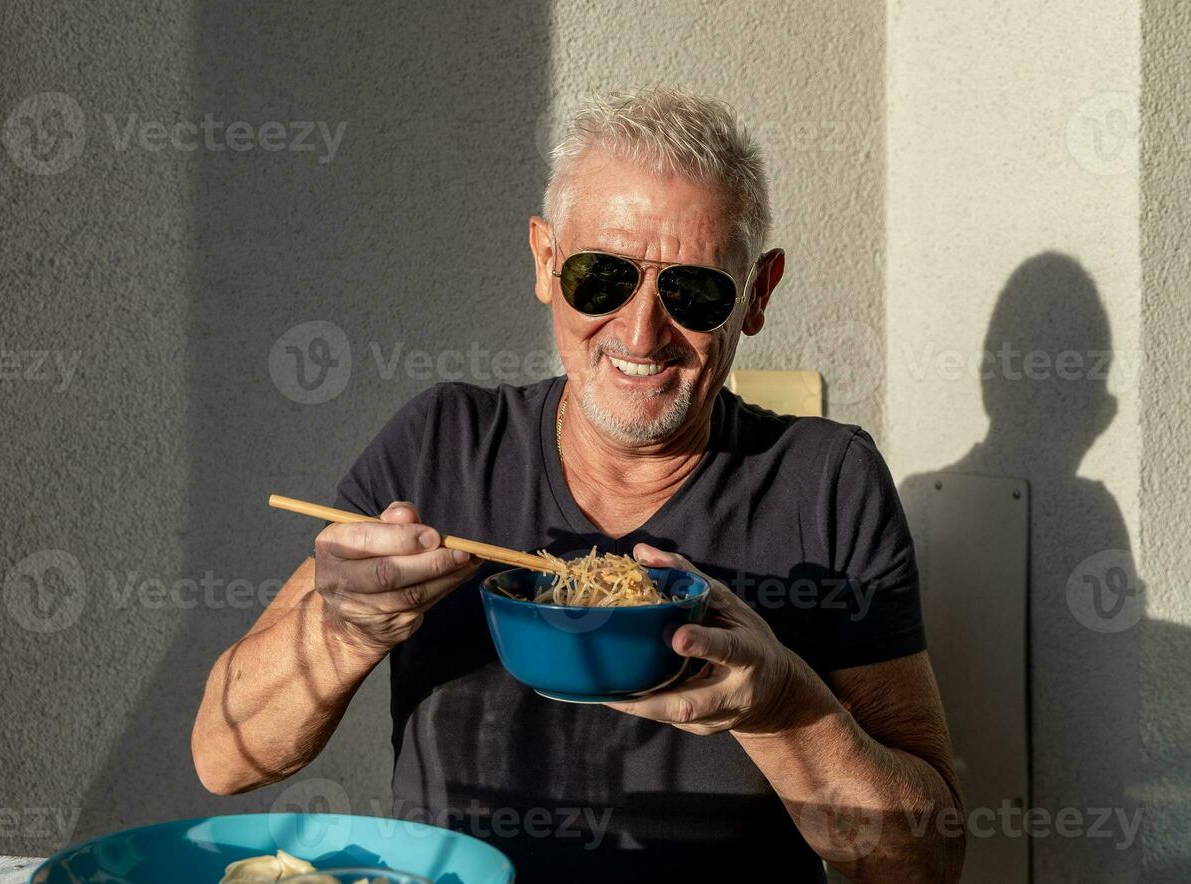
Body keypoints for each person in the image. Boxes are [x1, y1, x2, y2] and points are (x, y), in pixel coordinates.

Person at [192, 86, 964, 882]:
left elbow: (927, 860)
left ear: (757, 295)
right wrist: (345, 628)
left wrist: (781, 707)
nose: (639, 333)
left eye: (695, 292)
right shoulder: (443, 447)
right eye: (602, 279)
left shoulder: (824, 482)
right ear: (545, 260)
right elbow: (226, 757)